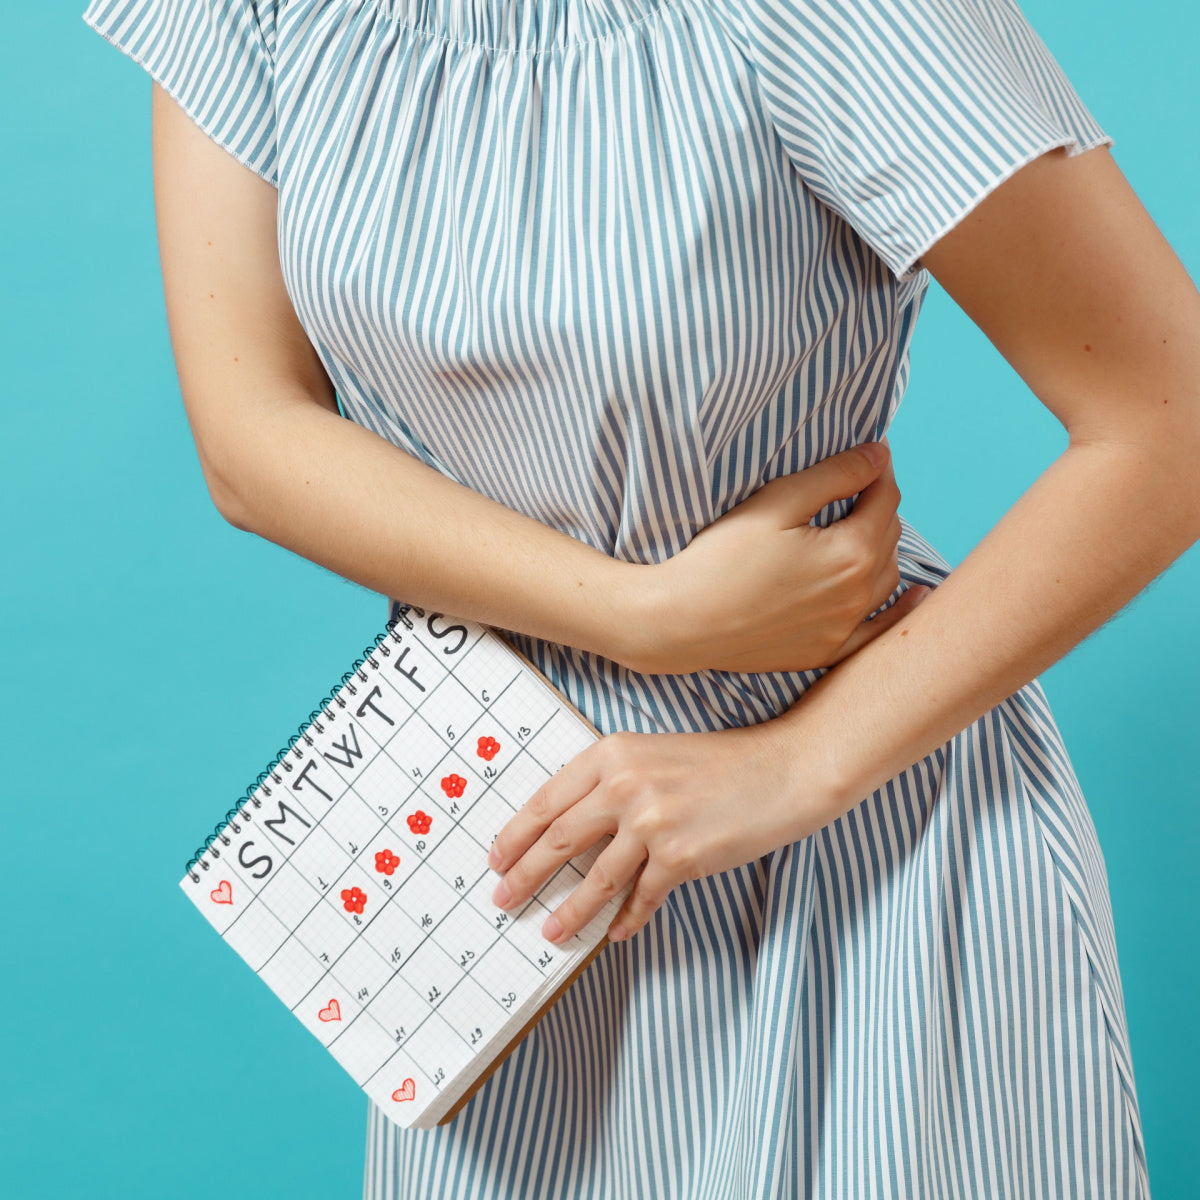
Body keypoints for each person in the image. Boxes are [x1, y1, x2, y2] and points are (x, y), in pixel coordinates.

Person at [80, 0, 1187, 1194]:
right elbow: (252, 434)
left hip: (864, 839)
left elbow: (1171, 418)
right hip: (510, 844)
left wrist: (790, 769)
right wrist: (637, 614)